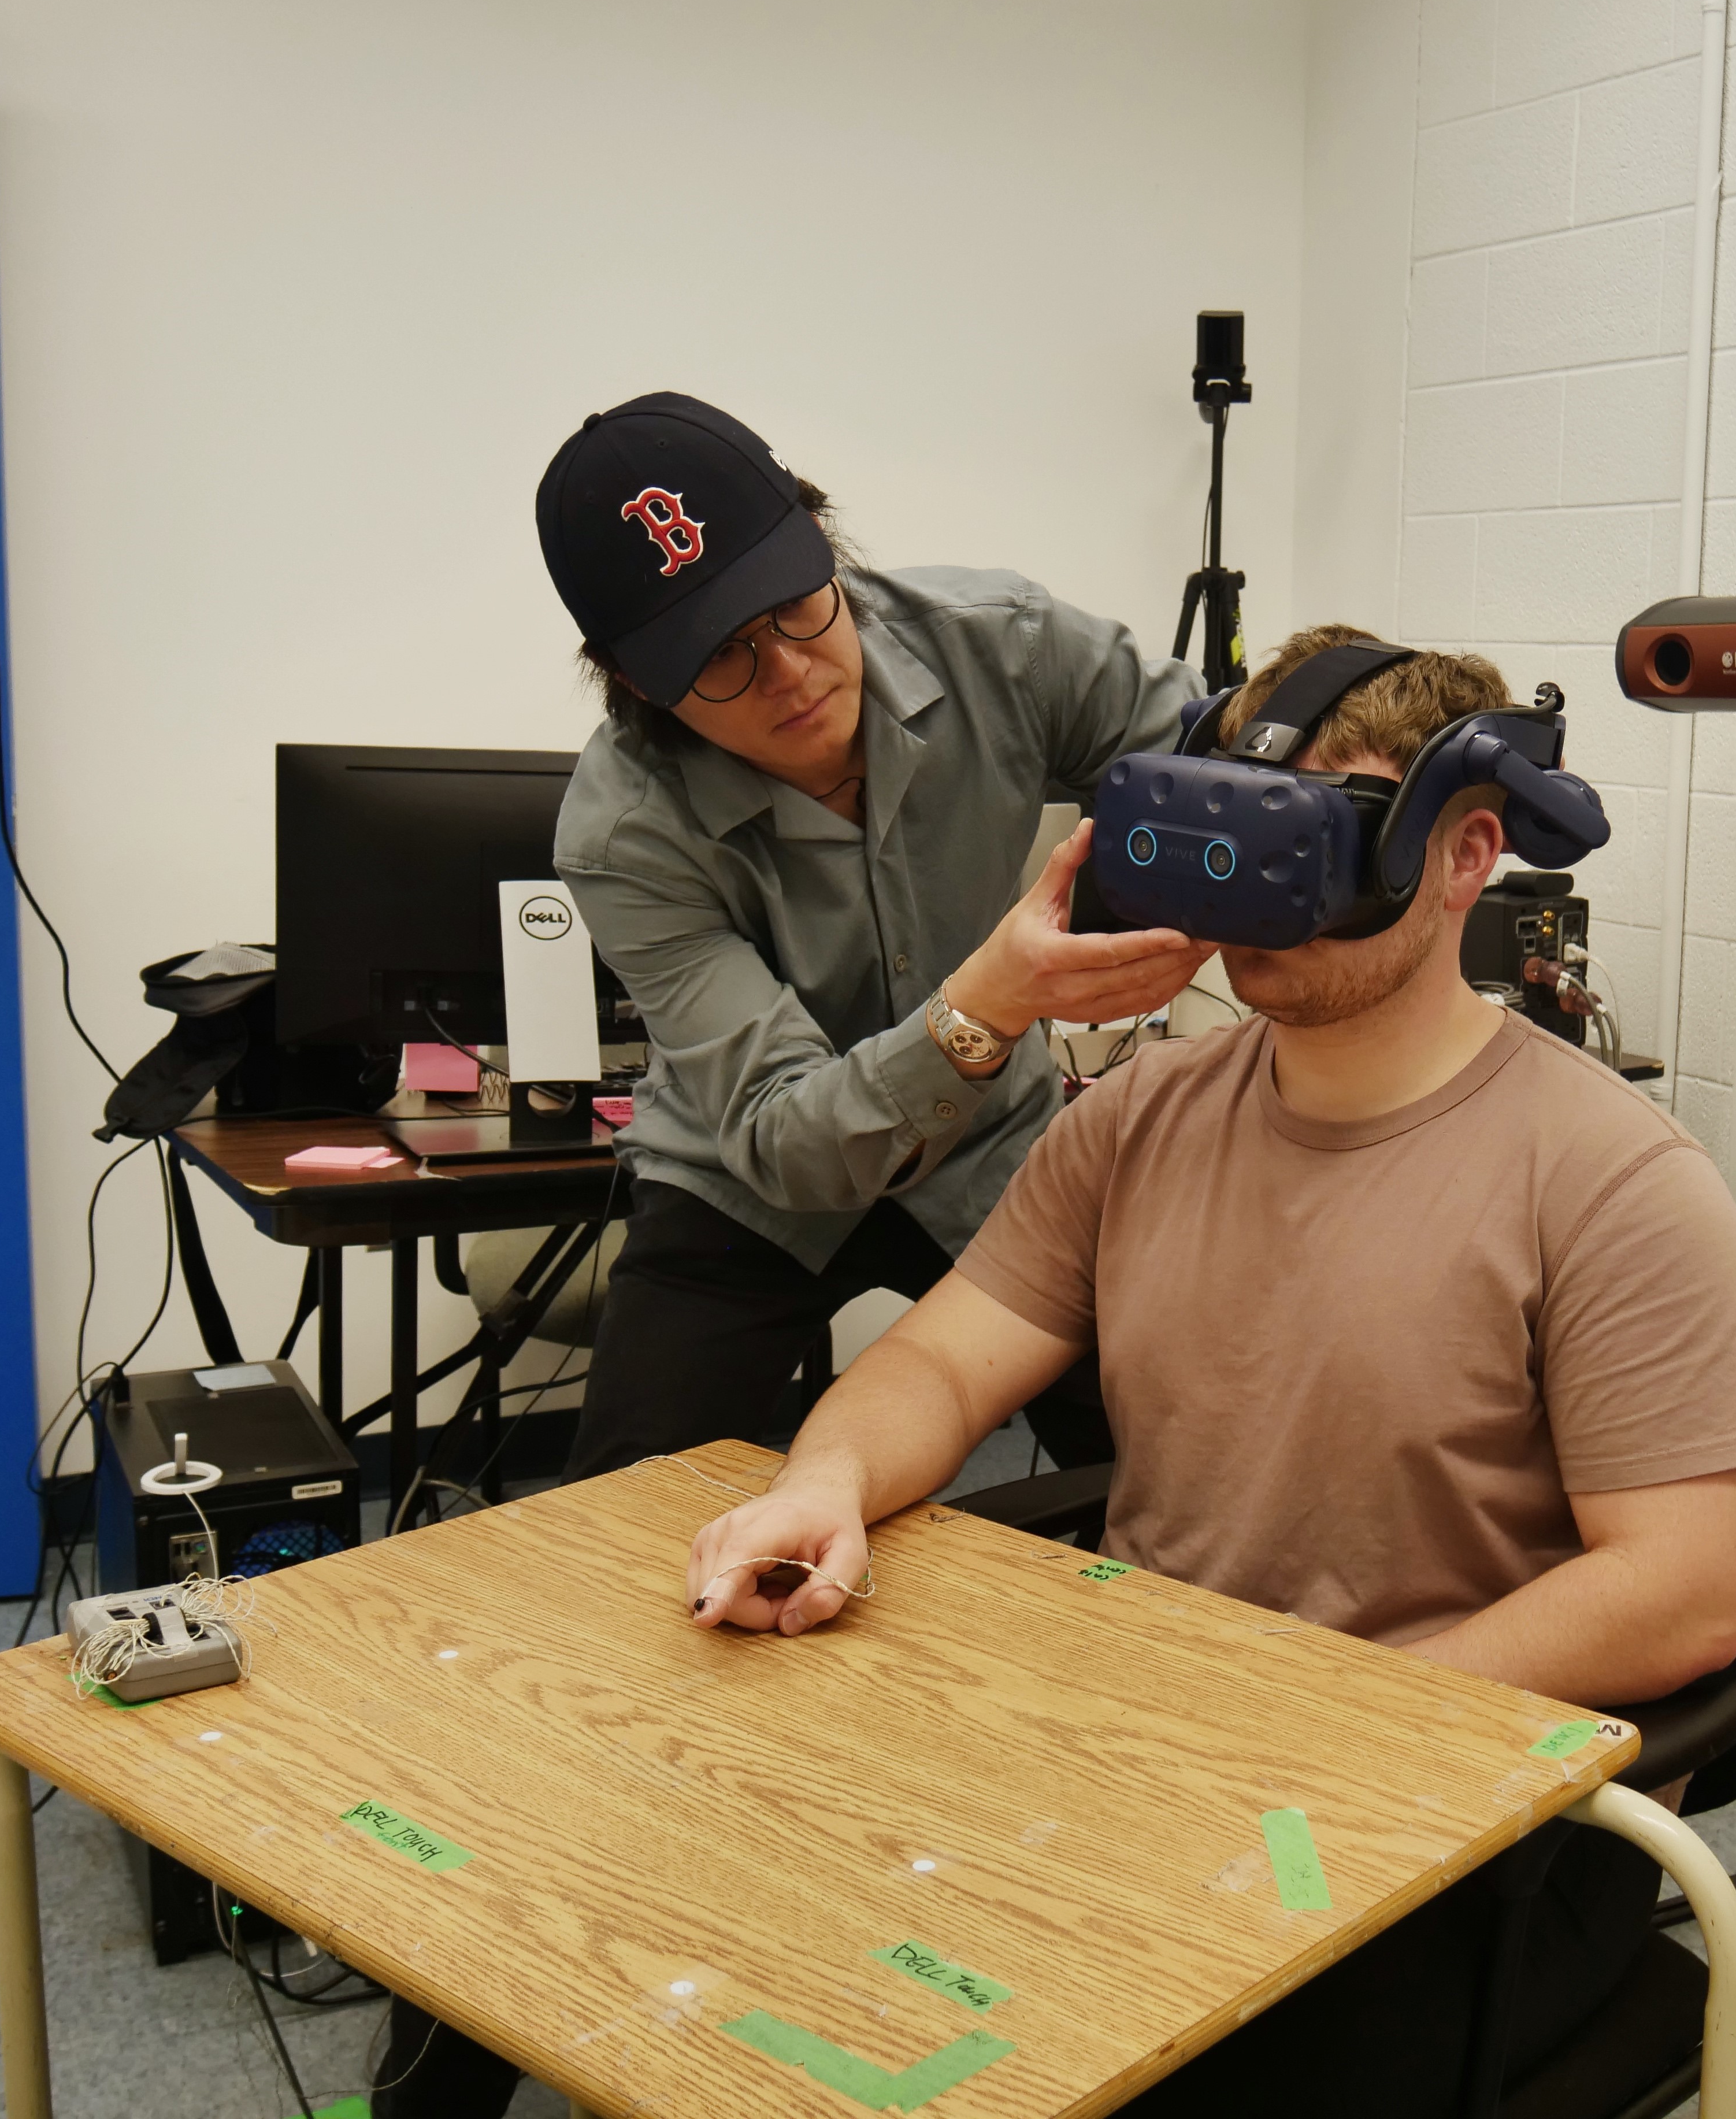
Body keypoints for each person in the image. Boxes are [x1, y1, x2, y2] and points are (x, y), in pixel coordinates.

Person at [681, 626, 1736, 2116]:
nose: (1258, 893)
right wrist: (824, 1482)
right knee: (757, 1932)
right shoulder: (1141, 1116)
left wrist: (1300, 1729)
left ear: (1467, 854)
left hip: (1451, 1828)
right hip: (1150, 1769)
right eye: (1232, 830)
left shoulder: (1611, 1181)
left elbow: (1680, 1590)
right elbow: (947, 1359)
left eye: (1317, 842)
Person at [370, 394, 1215, 2116]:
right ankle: (444, 2065)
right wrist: (991, 1001)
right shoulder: (622, 824)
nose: (790, 673)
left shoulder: (1003, 641)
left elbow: (1222, 752)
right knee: (611, 1584)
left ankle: (1161, 1935)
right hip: (753, 1182)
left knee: (1165, 1492)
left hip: (996, 1161)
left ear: (827, 537)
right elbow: (785, 1134)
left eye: (799, 607)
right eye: (721, 664)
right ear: (629, 681)